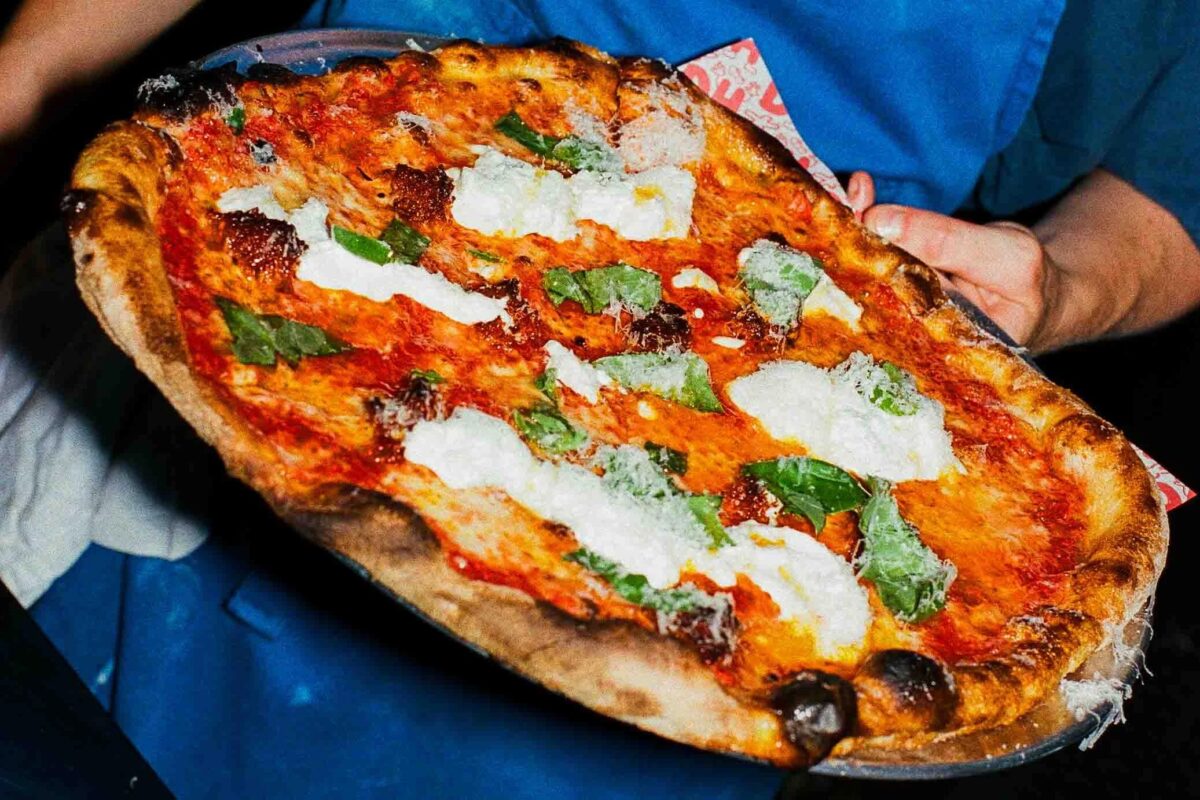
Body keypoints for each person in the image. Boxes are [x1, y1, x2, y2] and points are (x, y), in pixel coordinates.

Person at [1, 0, 1197, 797]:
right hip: (329, 176)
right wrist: (26, 69)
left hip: (799, 400)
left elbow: (1176, 183)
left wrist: (1059, 286)